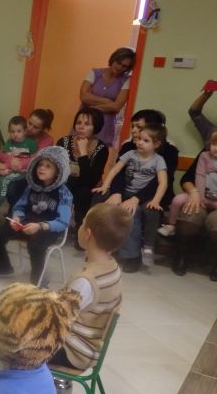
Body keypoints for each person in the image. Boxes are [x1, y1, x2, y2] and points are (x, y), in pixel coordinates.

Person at [48, 203, 132, 373]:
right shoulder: (112, 267)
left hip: (73, 352)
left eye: (83, 222)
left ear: (87, 233)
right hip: (89, 347)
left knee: (10, 346)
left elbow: (57, 318)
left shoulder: (86, 281)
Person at [0, 146, 72, 284]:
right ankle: (3, 268)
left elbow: (63, 222)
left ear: (58, 171)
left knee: (35, 246)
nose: (42, 168)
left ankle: (38, 282)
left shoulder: (64, 193)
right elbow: (20, 206)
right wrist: (17, 217)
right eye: (40, 164)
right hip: (27, 224)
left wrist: (39, 226)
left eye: (48, 166)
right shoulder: (32, 186)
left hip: (48, 229)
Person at [93, 124, 168, 272]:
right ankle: (99, 247)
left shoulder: (158, 160)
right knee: (102, 201)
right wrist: (105, 186)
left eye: (145, 140)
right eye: (139, 139)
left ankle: (142, 249)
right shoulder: (130, 154)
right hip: (126, 192)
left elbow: (163, 183)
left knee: (138, 212)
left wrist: (156, 200)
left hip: (143, 196)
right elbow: (115, 170)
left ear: (156, 144)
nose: (139, 142)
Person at [56, 108, 109, 236]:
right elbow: (55, 169)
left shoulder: (101, 148)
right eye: (78, 122)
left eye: (87, 124)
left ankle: (81, 232)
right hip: (64, 183)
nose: (81, 127)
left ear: (96, 127)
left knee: (84, 193)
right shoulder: (63, 142)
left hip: (84, 187)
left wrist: (83, 152)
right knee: (59, 188)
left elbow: (91, 181)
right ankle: (53, 227)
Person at [168, 146, 217, 281]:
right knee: (190, 213)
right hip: (200, 198)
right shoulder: (207, 154)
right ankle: (181, 256)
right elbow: (186, 178)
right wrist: (194, 193)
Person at [0, 116, 37, 227]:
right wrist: (5, 167)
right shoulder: (9, 142)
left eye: (19, 131)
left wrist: (8, 166)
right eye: (12, 131)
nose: (15, 134)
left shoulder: (31, 144)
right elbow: (1, 156)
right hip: (6, 169)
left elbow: (31, 160)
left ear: (25, 131)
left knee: (2, 182)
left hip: (20, 172)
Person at [115, 109, 179, 209]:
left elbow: (161, 180)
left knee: (139, 211)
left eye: (139, 127)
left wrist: (137, 198)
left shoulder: (170, 150)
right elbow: (118, 172)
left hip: (154, 195)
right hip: (126, 191)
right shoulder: (128, 146)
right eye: (132, 126)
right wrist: (116, 193)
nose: (133, 130)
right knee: (101, 196)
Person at [79, 47, 135, 148]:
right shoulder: (94, 73)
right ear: (113, 59)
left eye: (124, 66)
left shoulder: (126, 80)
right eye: (118, 62)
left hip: (105, 126)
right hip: (84, 121)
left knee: (99, 153)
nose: (119, 67)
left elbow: (116, 107)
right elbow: (83, 96)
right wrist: (106, 101)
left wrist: (91, 107)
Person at [4, 109, 56, 211]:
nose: (29, 128)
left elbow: (34, 159)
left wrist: (16, 161)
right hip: (14, 168)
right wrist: (10, 159)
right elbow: (5, 151)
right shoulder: (20, 132)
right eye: (29, 123)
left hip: (33, 173)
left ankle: (15, 212)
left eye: (35, 127)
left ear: (43, 129)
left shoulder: (47, 140)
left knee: (13, 187)